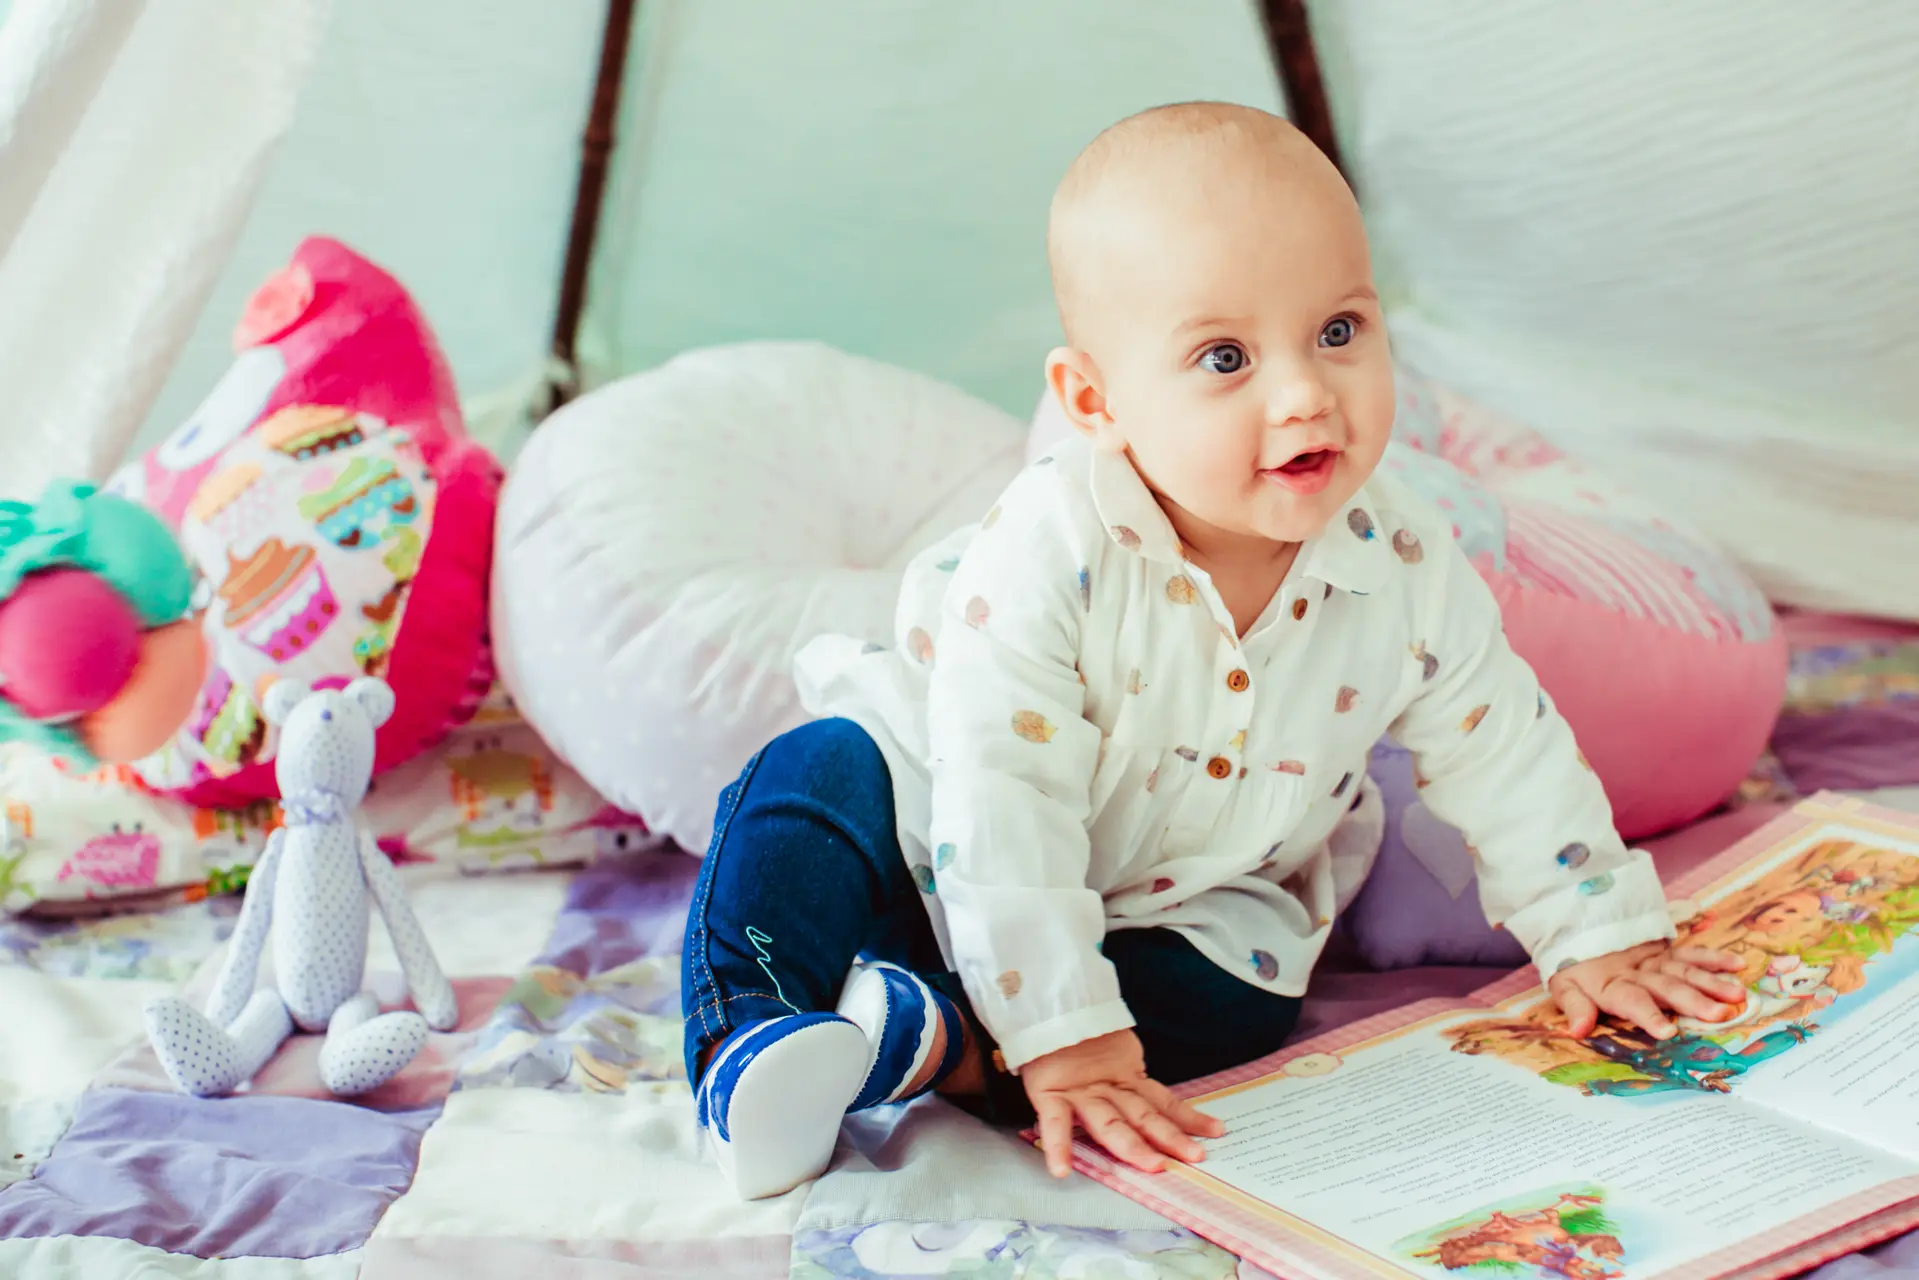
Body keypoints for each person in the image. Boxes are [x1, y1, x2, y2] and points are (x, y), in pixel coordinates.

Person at [679, 101, 1746, 1201]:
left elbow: (1501, 747)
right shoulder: (1047, 550)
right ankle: (750, 1040)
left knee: (1239, 1001)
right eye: (1224, 356)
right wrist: (1062, 1030)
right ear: (1095, 400)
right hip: (932, 821)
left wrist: (1596, 934)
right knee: (809, 777)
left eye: (1338, 331)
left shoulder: (1405, 556)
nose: (1303, 394)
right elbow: (1004, 797)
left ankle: (929, 1035)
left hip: (1184, 896)